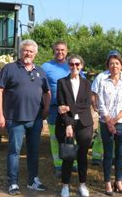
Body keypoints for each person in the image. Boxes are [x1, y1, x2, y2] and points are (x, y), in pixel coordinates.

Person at [0, 39, 51, 195]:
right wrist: (0, 114)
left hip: (35, 119)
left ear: (35, 54)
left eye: (31, 51)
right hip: (15, 119)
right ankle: (13, 182)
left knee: (34, 151)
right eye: (25, 50)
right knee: (14, 151)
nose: (28, 53)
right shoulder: (9, 69)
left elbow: (47, 92)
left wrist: (46, 109)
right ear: (20, 52)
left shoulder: (40, 71)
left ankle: (33, 180)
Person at [42, 41, 103, 176]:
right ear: (53, 51)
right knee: (56, 138)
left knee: (73, 137)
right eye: (57, 49)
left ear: (67, 51)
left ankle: (73, 163)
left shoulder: (72, 66)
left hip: (73, 109)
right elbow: (41, 86)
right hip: (54, 108)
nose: (60, 52)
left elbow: (82, 89)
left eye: (62, 50)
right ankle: (59, 165)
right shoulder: (46, 67)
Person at [55, 55, 94, 197]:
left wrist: (68, 108)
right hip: (66, 123)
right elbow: (60, 104)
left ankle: (82, 185)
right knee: (68, 155)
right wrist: (68, 124)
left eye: (77, 64)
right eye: (71, 64)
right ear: (68, 66)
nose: (74, 67)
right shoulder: (62, 82)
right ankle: (65, 185)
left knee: (82, 156)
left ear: (81, 65)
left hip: (84, 124)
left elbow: (86, 105)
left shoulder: (87, 83)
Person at [96, 50, 122, 196]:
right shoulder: (101, 78)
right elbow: (99, 100)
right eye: (111, 63)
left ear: (121, 65)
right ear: (107, 65)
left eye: (117, 63)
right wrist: (108, 120)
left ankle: (118, 181)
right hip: (105, 121)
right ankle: (107, 183)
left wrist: (116, 119)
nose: (114, 66)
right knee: (108, 153)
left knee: (120, 153)